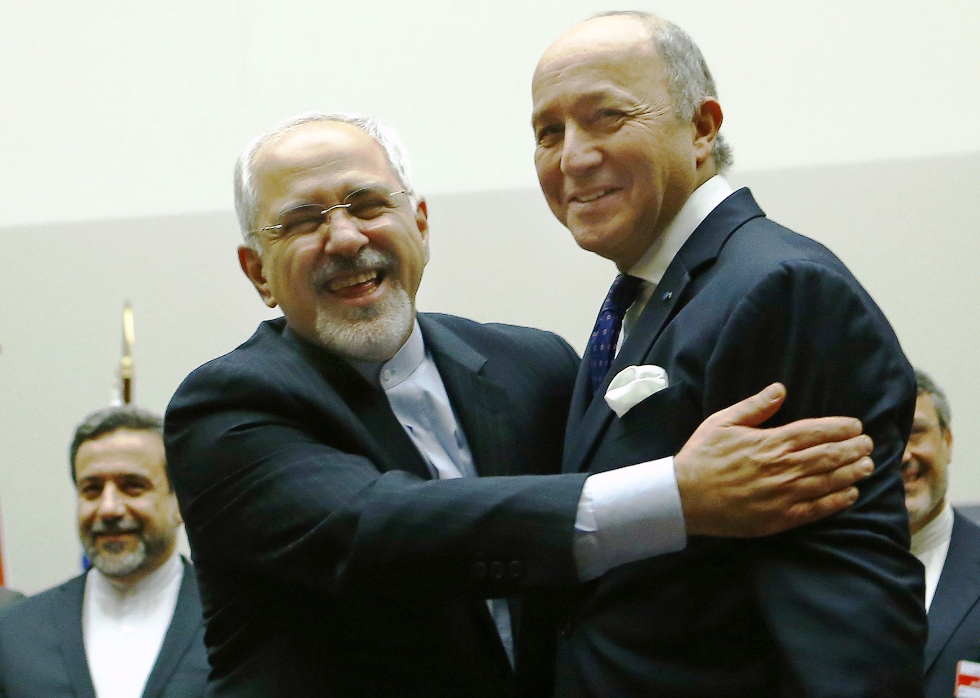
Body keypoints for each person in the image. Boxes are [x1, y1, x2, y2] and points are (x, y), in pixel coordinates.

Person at [165, 111, 875, 697]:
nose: (346, 238)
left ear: (420, 223)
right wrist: (682, 494)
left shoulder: (532, 367)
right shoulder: (226, 407)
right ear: (257, 270)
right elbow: (379, 530)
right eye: (302, 221)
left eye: (368, 204)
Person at [531, 11, 926, 696]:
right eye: (548, 132)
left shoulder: (777, 285)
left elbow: (839, 605)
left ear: (703, 127)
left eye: (605, 118)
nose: (572, 156)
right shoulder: (652, 292)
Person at [0, 407, 209, 698]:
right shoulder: (14, 629)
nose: (108, 508)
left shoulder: (236, 621)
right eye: (92, 489)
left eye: (133, 486)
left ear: (180, 503)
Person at [903, 368, 980, 697]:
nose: (903, 455)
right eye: (887, 436)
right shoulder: (827, 574)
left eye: (916, 432)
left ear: (947, 442)